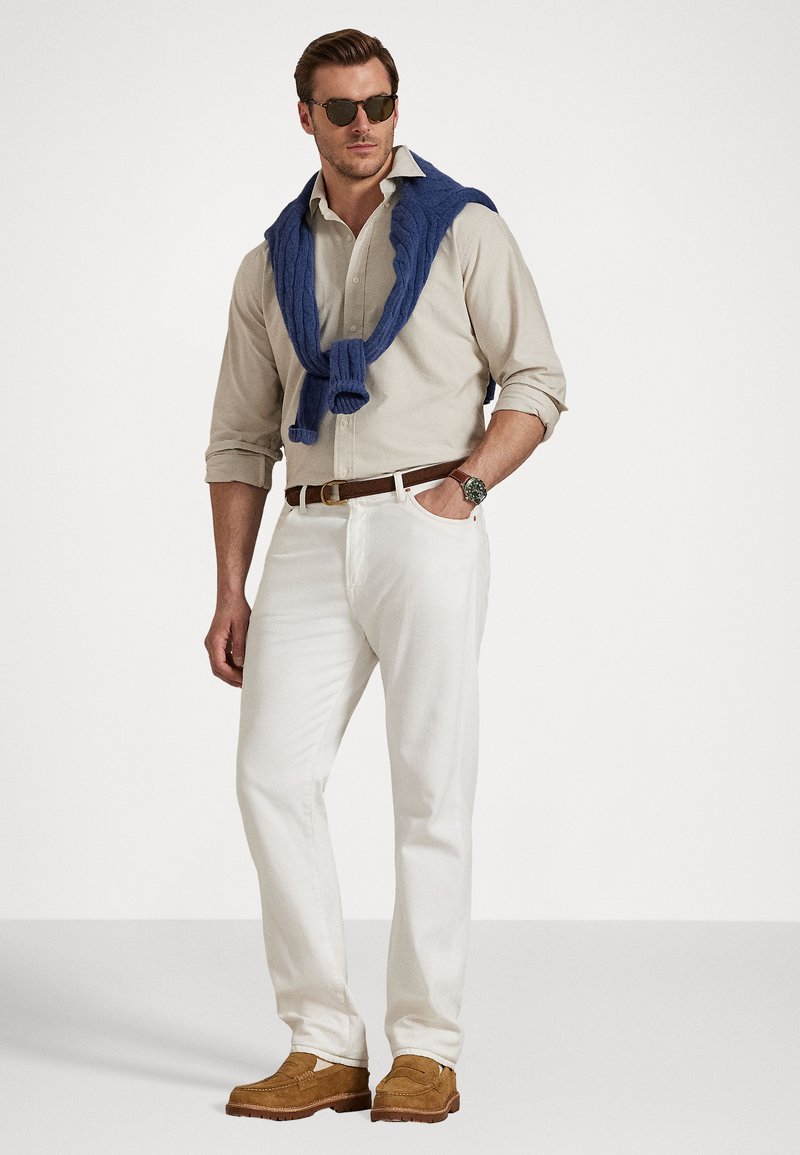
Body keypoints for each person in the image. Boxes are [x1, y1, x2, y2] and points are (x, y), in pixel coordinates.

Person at [203, 27, 568, 1125]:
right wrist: (229, 589)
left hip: (425, 517)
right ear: (305, 116)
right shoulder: (268, 262)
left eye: (378, 104)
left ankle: (426, 1048)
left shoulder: (463, 228)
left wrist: (467, 488)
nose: (362, 124)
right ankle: (322, 1043)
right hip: (309, 529)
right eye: (340, 108)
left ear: (394, 109)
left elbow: (536, 378)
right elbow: (239, 441)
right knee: (271, 776)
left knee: (429, 784)